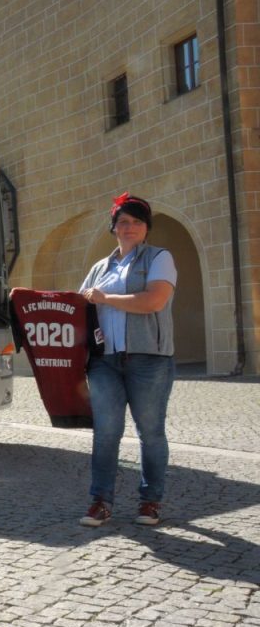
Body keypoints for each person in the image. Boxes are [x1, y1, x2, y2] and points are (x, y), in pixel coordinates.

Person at [78, 193, 177, 527]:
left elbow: (154, 301)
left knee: (150, 433)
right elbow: (80, 308)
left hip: (149, 358)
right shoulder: (99, 268)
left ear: (146, 228)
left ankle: (150, 502)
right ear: (114, 228)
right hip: (104, 360)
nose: (129, 227)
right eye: (123, 221)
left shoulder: (159, 258)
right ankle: (100, 502)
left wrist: (107, 299)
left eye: (136, 221)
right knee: (106, 432)